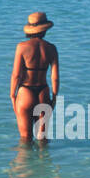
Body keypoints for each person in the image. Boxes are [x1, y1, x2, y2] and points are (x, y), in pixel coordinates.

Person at [10, 12, 59, 143]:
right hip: (43, 91)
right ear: (45, 29)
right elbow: (55, 76)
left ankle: (26, 163)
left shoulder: (21, 47)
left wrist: (12, 95)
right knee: (42, 139)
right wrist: (54, 97)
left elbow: (16, 75)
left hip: (25, 91)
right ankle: (44, 162)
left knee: (26, 139)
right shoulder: (51, 48)